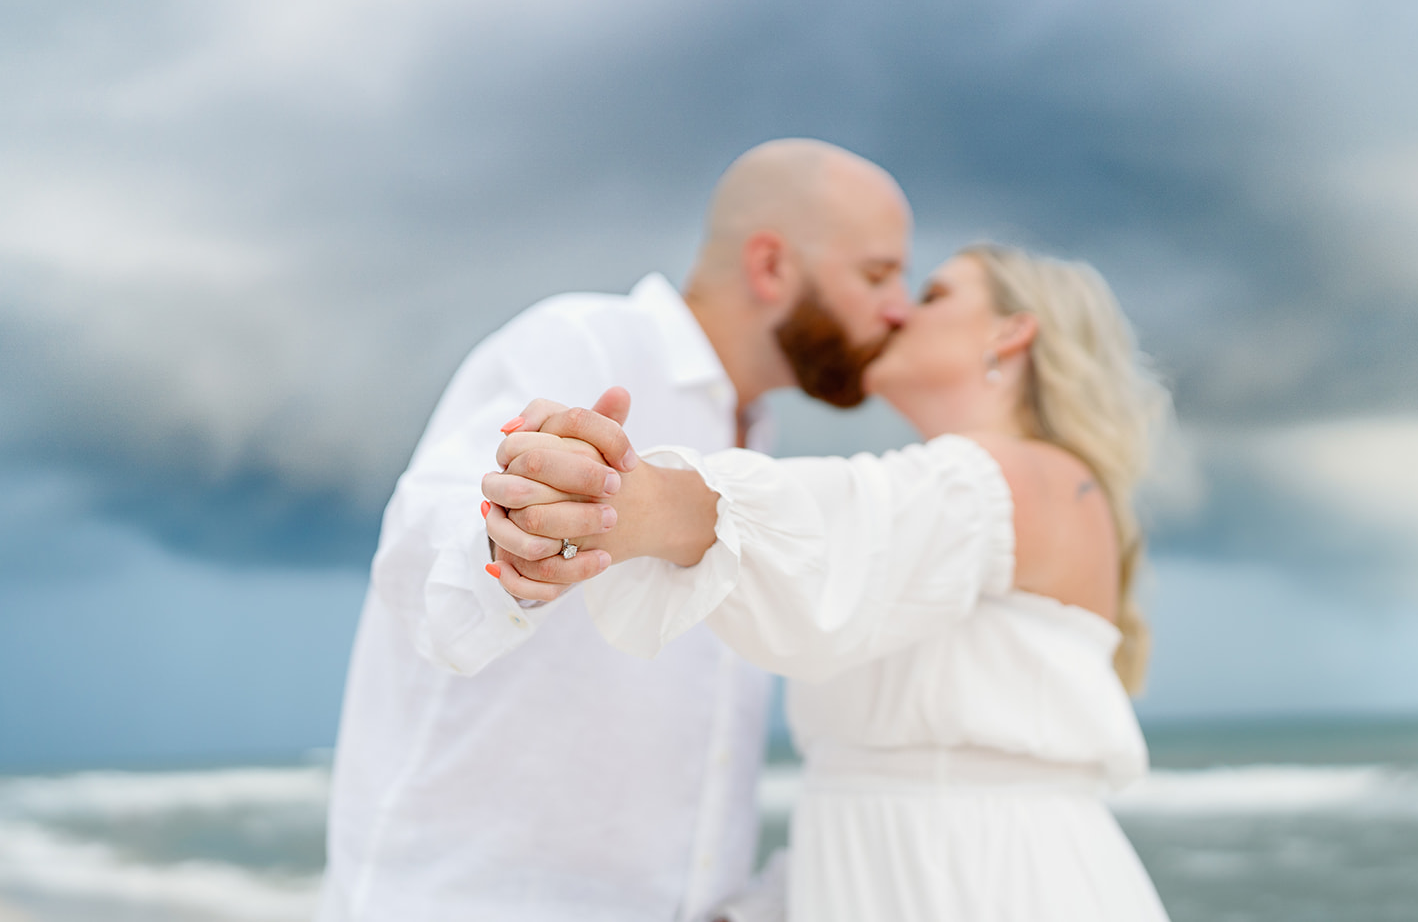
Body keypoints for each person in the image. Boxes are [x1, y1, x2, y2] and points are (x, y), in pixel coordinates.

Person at [317, 139, 914, 922]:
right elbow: (424, 536)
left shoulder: (756, 440)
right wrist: (514, 536)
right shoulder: (586, 345)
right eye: (877, 274)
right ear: (771, 267)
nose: (900, 306)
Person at [487, 244, 1172, 921]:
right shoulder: (976, 503)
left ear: (1011, 330)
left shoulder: (1036, 479)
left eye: (934, 294)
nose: (898, 311)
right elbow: (875, 789)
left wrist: (642, 501)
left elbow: (844, 524)